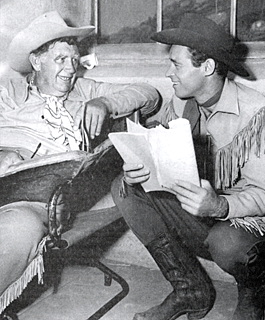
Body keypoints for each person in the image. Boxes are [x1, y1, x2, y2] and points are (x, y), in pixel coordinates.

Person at [111, 13, 265, 320]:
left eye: (176, 64)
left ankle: (252, 301)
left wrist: (220, 206)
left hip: (250, 228)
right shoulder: (181, 101)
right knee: (124, 187)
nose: (169, 72)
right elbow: (161, 152)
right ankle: (190, 289)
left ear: (208, 67)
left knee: (227, 242)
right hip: (203, 213)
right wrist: (140, 166)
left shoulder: (258, 113)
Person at [0, 11, 160, 317]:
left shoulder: (85, 91)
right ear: (36, 61)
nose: (70, 69)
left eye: (74, 60)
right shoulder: (8, 94)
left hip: (37, 202)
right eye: (61, 59)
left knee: (19, 228)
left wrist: (105, 103)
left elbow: (149, 95)